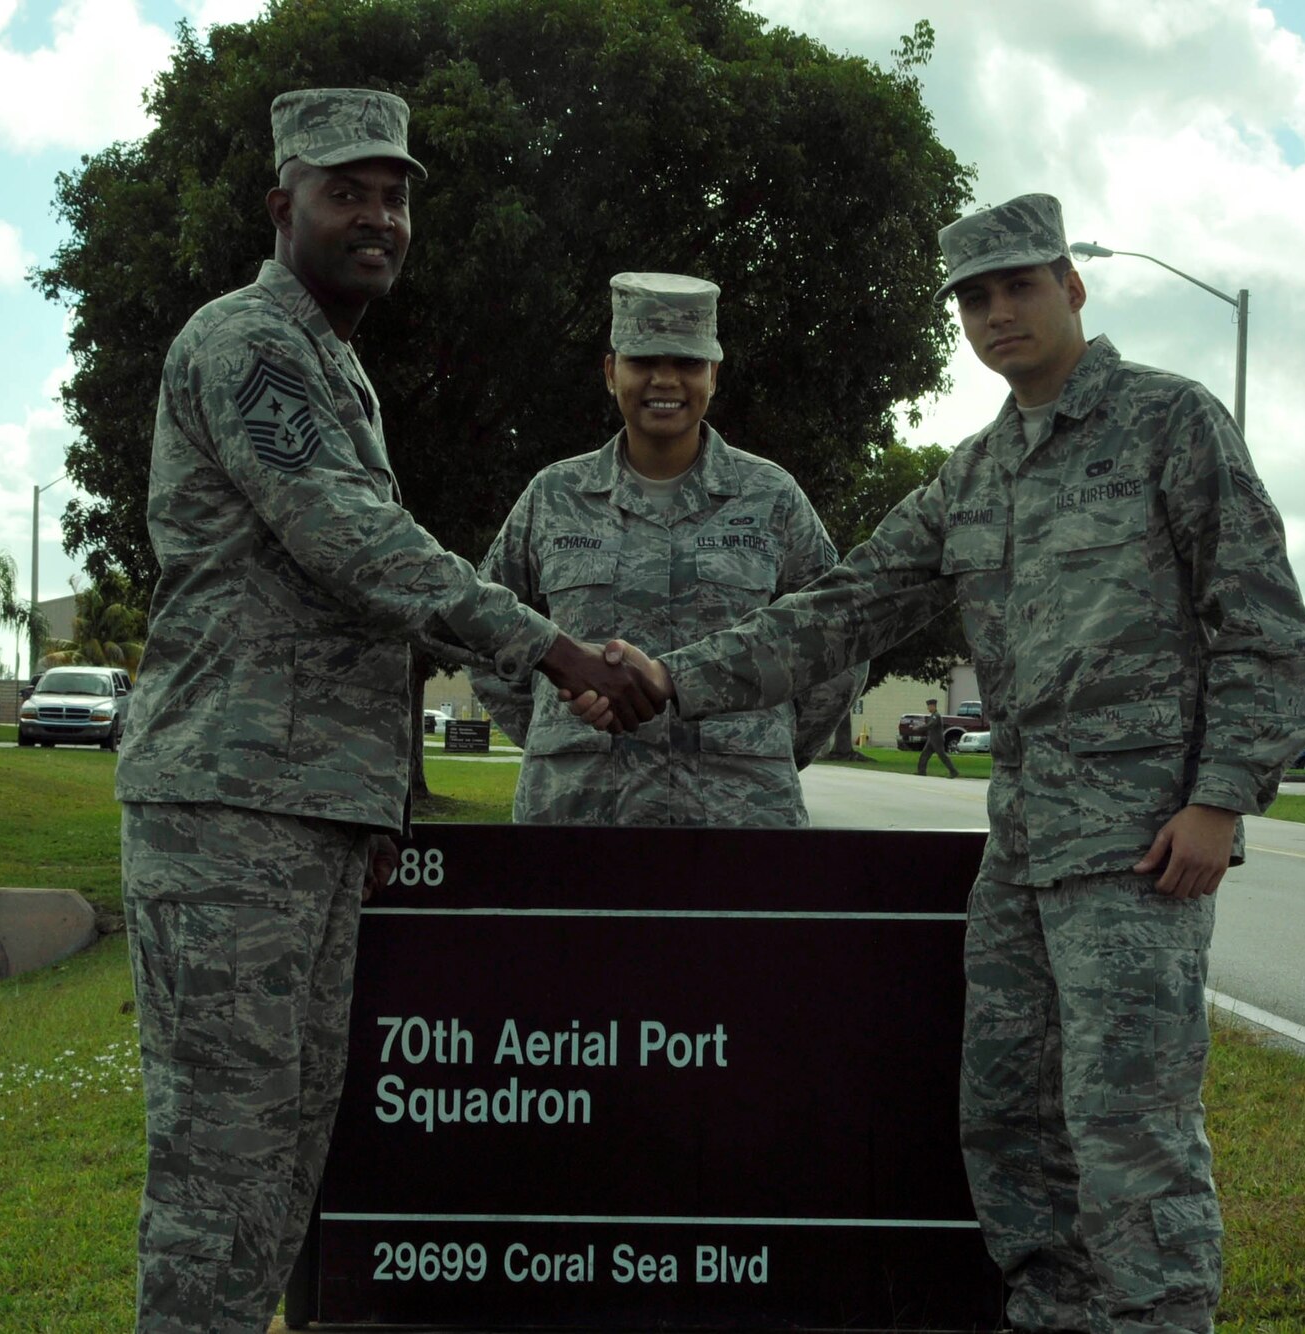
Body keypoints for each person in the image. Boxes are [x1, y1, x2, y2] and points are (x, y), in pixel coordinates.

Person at [571, 193, 1305, 1333]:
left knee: (1128, 1132)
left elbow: (1263, 627)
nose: (995, 313)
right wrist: (674, 677)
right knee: (1007, 1122)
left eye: (1018, 286)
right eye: (972, 297)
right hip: (1021, 849)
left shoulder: (1171, 424)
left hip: (1138, 847)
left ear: (1070, 287)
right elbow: (841, 607)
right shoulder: (973, 475)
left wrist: (1219, 798)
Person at [113, 87, 658, 1334]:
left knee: (288, 1150)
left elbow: (373, 580)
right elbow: (351, 540)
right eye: (343, 192)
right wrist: (557, 647)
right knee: (222, 1163)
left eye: (393, 195)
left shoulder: (334, 366)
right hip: (230, 802)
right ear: (281, 205)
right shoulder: (246, 339)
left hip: (307, 807)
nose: (376, 217)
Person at [469, 273, 864, 826]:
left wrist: (766, 743)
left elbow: (839, 639)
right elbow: (482, 631)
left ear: (713, 376)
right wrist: (552, 729)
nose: (665, 379)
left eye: (687, 363)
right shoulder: (553, 496)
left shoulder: (772, 497)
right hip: (576, 814)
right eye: (644, 360)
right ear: (611, 372)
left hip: (741, 819)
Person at [917, 697, 958, 778]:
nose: (928, 708)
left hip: (937, 740)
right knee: (924, 755)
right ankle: (921, 771)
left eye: (929, 706)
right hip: (931, 739)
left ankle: (953, 771)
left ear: (933, 706)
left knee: (942, 756)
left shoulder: (936, 716)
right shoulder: (933, 715)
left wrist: (919, 728)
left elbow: (930, 725)